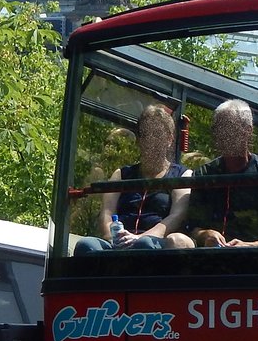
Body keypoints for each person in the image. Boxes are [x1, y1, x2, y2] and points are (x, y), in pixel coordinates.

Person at [74, 105, 192, 253]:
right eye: (145, 134)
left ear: (169, 139)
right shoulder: (121, 175)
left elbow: (177, 216)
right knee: (86, 245)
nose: (151, 141)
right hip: (119, 242)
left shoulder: (182, 175)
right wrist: (113, 237)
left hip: (155, 245)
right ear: (139, 139)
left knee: (144, 246)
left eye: (157, 135)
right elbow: (106, 212)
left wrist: (140, 237)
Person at [184, 99, 258, 247]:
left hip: (256, 262)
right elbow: (192, 227)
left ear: (248, 130)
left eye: (229, 128)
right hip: (208, 260)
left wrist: (250, 246)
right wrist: (205, 234)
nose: (222, 135)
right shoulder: (204, 174)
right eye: (218, 129)